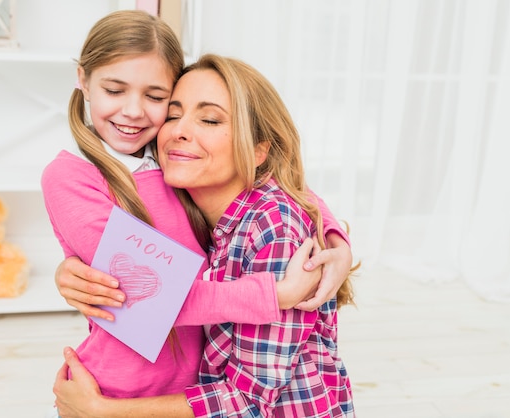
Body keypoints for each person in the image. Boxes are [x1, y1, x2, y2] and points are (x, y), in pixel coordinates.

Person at [42, 9, 354, 409]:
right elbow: (152, 296)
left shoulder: (162, 154)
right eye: (114, 90)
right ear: (82, 79)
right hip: (120, 388)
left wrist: (335, 239)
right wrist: (275, 294)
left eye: (157, 99)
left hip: (190, 389)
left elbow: (285, 182)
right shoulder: (81, 173)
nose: (134, 111)